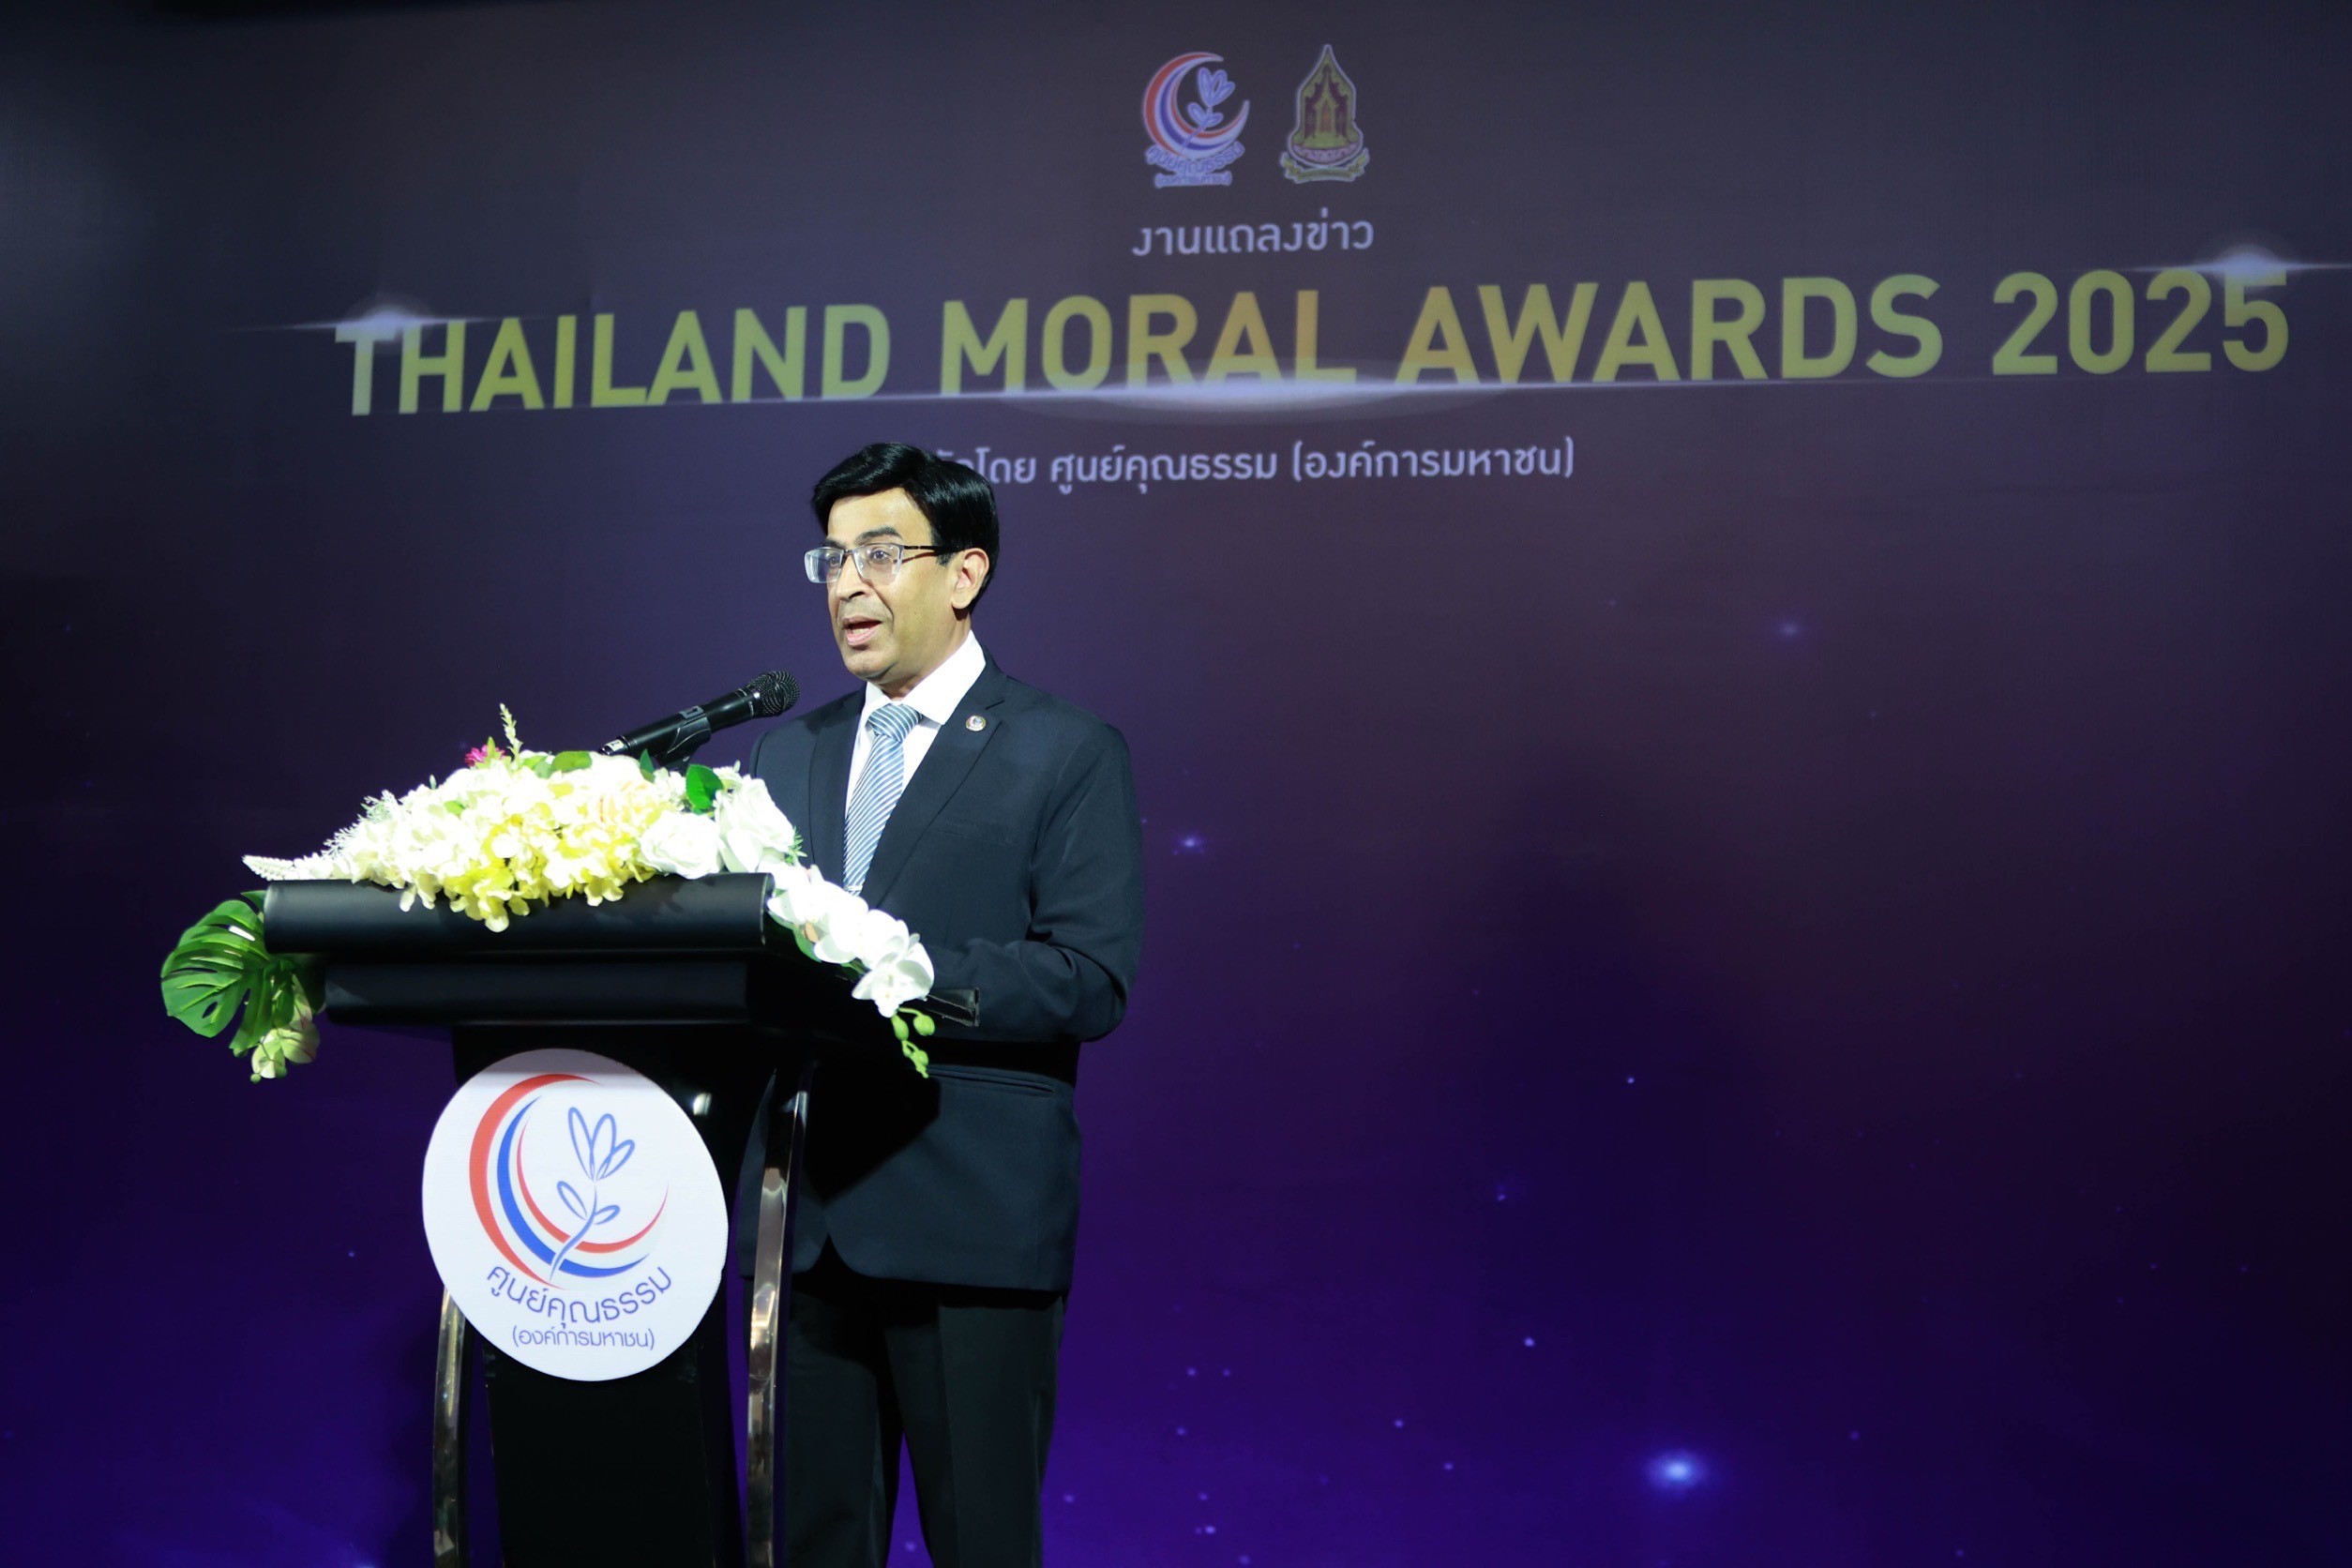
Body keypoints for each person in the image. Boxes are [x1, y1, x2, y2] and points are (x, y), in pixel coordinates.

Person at [746, 442, 1145, 1568]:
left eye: (880, 554)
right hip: (811, 1225)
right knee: (816, 1541)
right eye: (832, 557)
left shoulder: (1064, 750)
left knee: (982, 1541)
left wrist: (904, 965)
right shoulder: (787, 753)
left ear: (965, 572)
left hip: (972, 1217)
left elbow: (1088, 977)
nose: (847, 583)